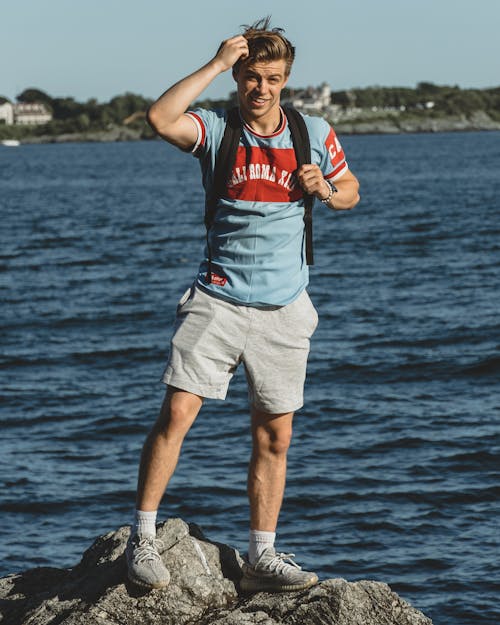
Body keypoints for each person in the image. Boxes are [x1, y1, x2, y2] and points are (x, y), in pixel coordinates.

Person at [126, 17, 360, 593]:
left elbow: (351, 190)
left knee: (274, 434)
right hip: (218, 299)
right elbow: (160, 118)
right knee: (178, 412)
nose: (262, 88)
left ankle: (262, 556)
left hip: (285, 308)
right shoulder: (216, 128)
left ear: (286, 79)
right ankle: (143, 537)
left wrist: (325, 190)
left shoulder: (312, 132)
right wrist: (212, 63)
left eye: (273, 78)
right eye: (251, 76)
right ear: (237, 78)